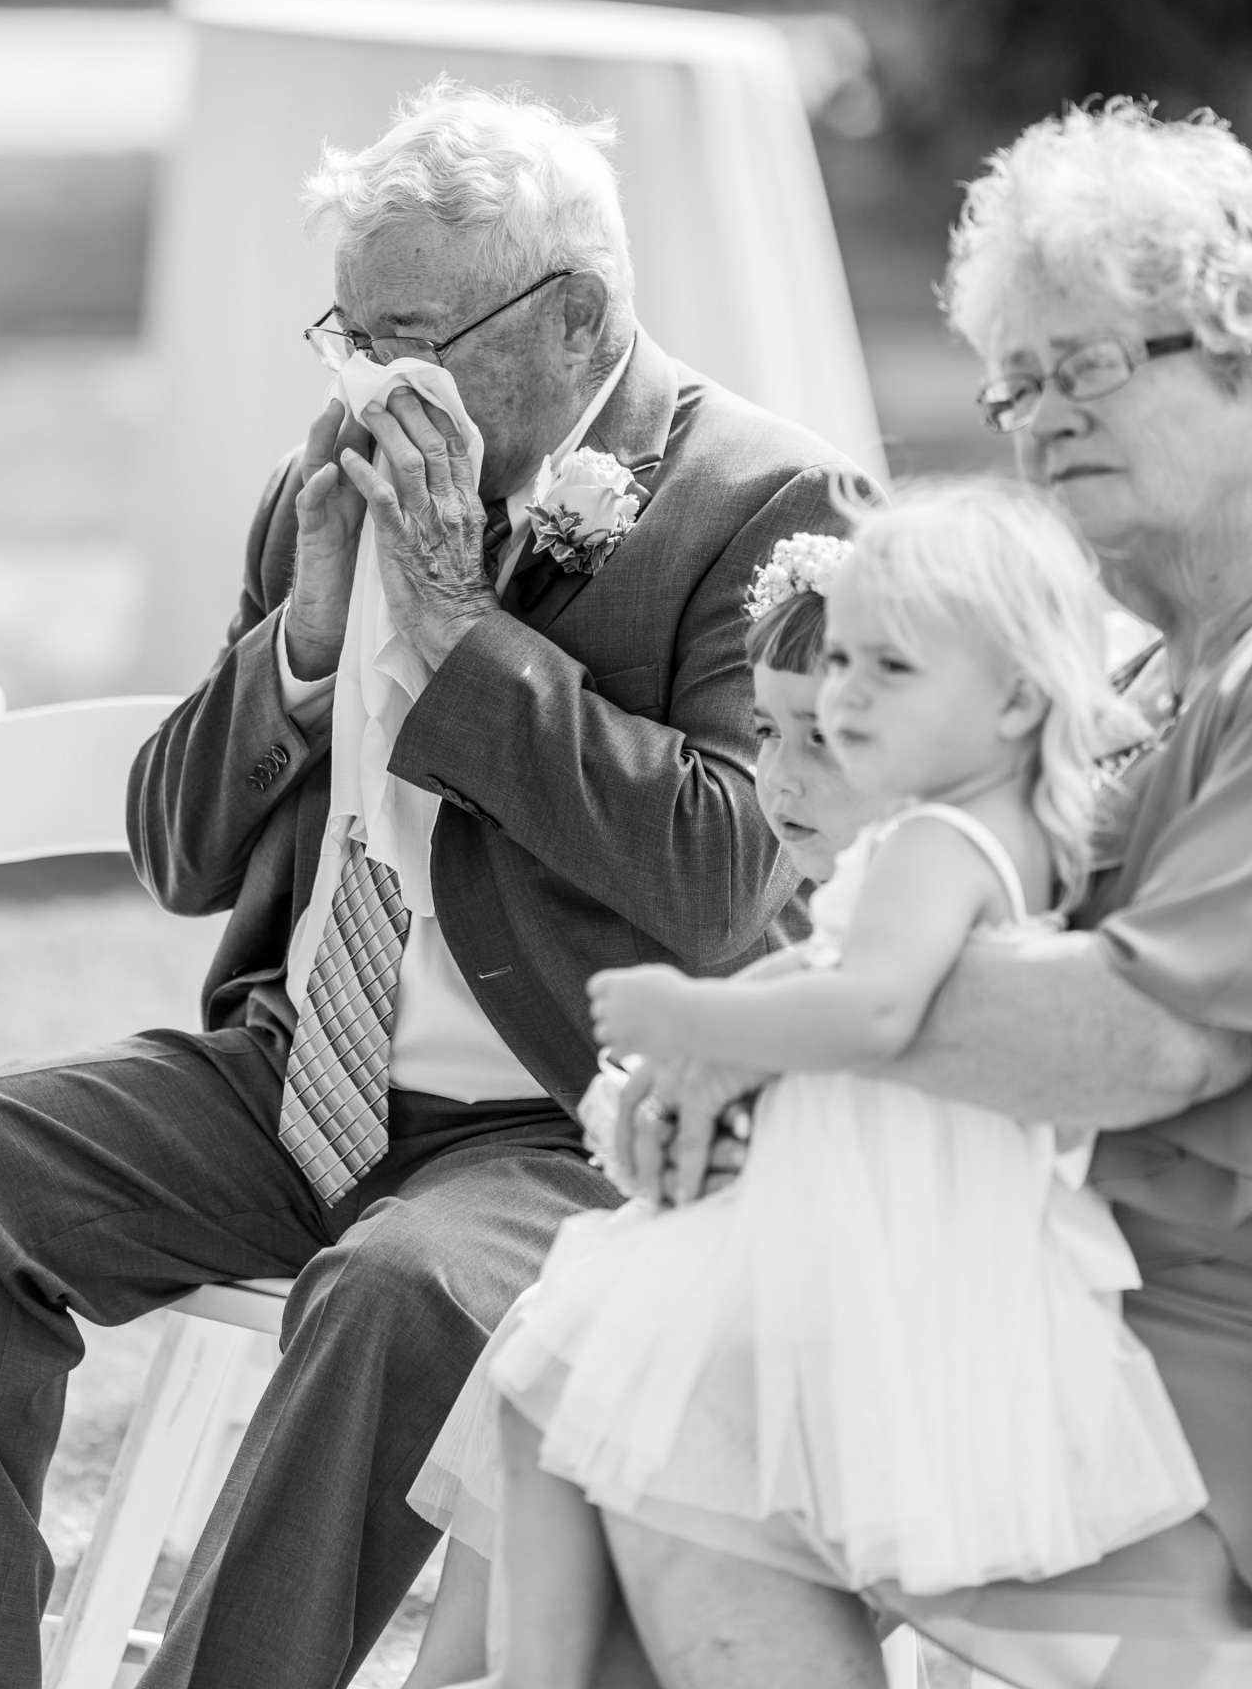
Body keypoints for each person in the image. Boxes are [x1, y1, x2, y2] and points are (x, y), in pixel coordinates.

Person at [0, 84, 854, 1689]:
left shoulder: (769, 507)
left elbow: (724, 876)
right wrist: (300, 642)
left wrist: (457, 626)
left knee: (390, 1292)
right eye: (348, 335)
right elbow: (176, 851)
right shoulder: (332, 481)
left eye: (414, 335)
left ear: (576, 321)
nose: (371, 382)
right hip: (304, 1081)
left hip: (586, 1123)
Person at [594, 100, 1252, 1689]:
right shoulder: (1150, 681)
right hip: (1057, 1307)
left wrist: (750, 1032)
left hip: (1196, 1378)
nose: (1036, 421)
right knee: (627, 1378)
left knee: (666, 1420)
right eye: (1014, 384)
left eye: (1086, 366)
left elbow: (1134, 1040)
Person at [409, 483, 1208, 1689]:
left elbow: (870, 1013)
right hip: (869, 1236)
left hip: (879, 1270)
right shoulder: (998, 836)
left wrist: (701, 1020)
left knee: (568, 1387)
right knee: (559, 1390)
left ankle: (521, 1678)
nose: (840, 703)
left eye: (882, 674)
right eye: (835, 670)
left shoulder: (932, 846)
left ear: (1012, 697)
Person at [403, 525, 873, 1689]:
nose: (781, 775)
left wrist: (703, 1048)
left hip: (860, 1308)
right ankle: (481, 1674)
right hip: (772, 1265)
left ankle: (504, 1674)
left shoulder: (921, 888)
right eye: (765, 731)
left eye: (831, 738)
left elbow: (856, 1034)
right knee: (555, 1353)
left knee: (590, 1369)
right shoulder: (852, 898)